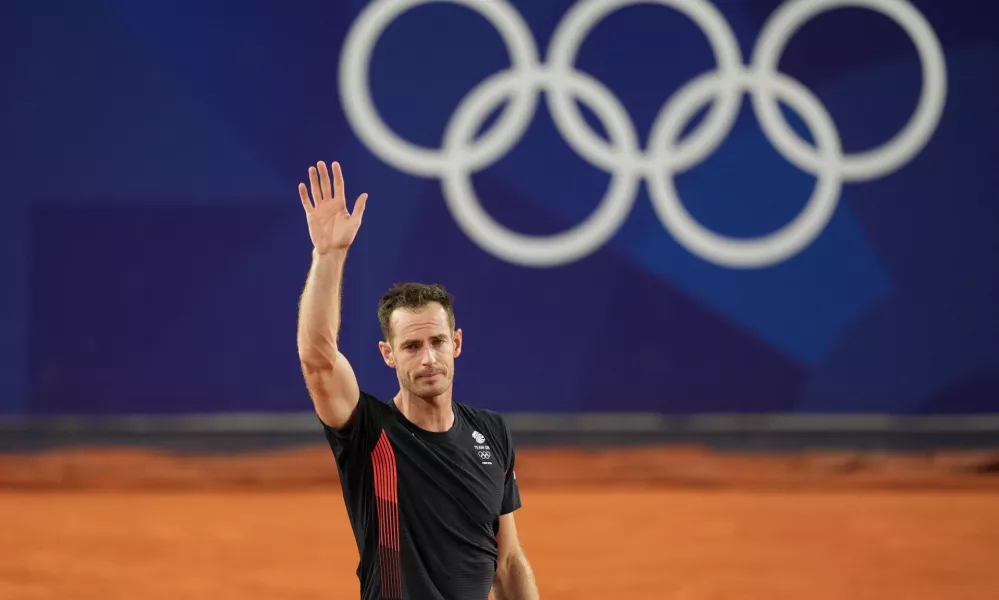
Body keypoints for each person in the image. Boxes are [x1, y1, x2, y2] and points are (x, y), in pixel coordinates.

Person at [295, 160, 540, 600]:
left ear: (456, 343)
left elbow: (507, 561)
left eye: (437, 342)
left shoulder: (492, 433)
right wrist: (328, 257)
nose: (428, 358)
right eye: (410, 347)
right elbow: (317, 360)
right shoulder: (368, 432)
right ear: (387, 355)